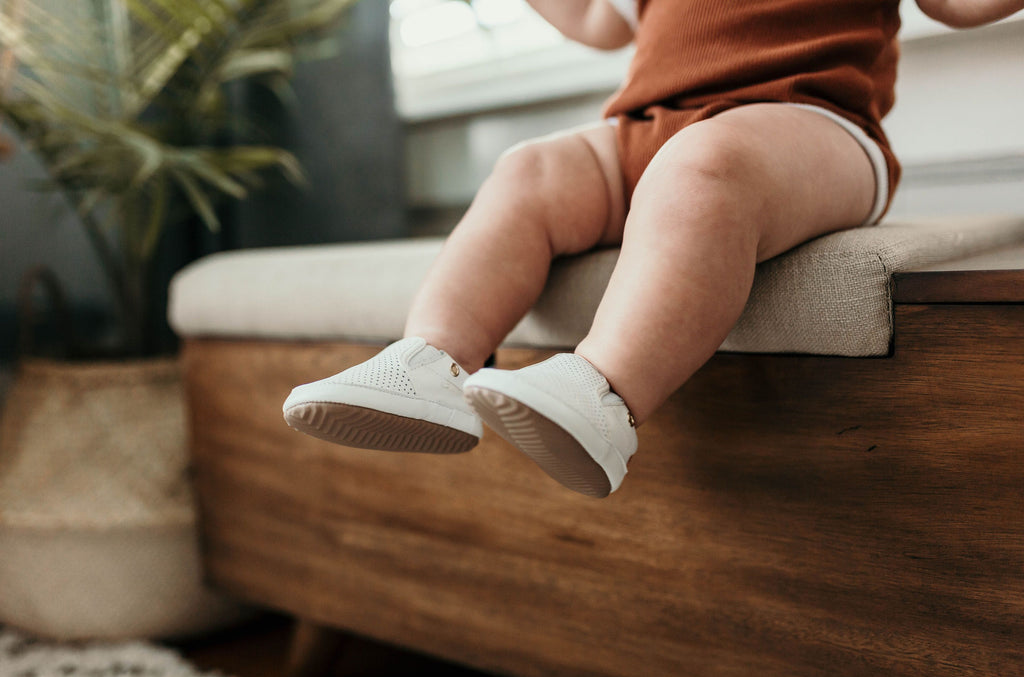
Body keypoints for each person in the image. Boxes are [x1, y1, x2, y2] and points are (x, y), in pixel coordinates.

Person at [283, 0, 1024, 498]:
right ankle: (431, 361)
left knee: (704, 169)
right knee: (527, 171)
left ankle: (601, 394)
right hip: (650, 127)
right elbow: (600, 18)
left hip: (815, 125)